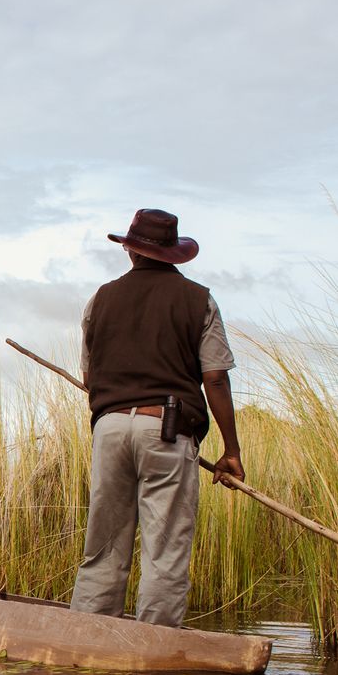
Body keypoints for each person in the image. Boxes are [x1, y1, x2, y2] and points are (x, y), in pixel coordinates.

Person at [71, 208, 245, 627]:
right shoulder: (199, 299)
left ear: (130, 251)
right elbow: (215, 379)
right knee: (164, 552)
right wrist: (231, 450)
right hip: (166, 432)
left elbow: (90, 377)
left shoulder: (101, 298)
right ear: (172, 255)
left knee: (104, 548)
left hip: (110, 428)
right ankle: (154, 657)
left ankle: (86, 640)